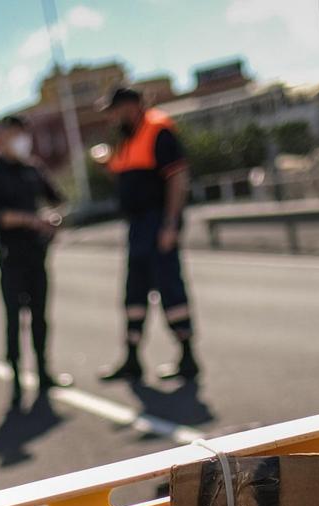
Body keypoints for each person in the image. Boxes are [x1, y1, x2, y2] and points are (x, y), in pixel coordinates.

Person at [100, 86, 197, 382]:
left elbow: (177, 179)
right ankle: (132, 358)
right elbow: (124, 176)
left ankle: (188, 356)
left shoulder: (158, 129)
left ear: (131, 106)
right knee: (134, 293)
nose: (113, 117)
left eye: (115, 110)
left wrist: (170, 224)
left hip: (157, 221)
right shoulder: (126, 137)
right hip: (137, 225)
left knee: (170, 288)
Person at [0, 114, 70, 406]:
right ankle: (16, 380)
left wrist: (54, 219)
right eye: (16, 134)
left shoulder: (32, 168)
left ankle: (44, 372)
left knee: (40, 317)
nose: (21, 140)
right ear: (3, 137)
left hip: (37, 255)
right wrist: (33, 220)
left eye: (24, 134)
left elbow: (57, 200)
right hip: (11, 258)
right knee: (14, 320)